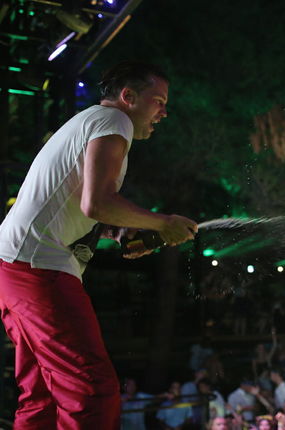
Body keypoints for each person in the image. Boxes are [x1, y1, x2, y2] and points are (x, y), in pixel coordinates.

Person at [0, 60, 197, 428]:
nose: (164, 112)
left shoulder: (89, 121)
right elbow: (98, 202)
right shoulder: (114, 121)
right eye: (158, 101)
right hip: (38, 269)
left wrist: (117, 232)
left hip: (14, 267)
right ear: (128, 97)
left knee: (41, 396)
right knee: (94, 390)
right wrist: (164, 223)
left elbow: (78, 204)